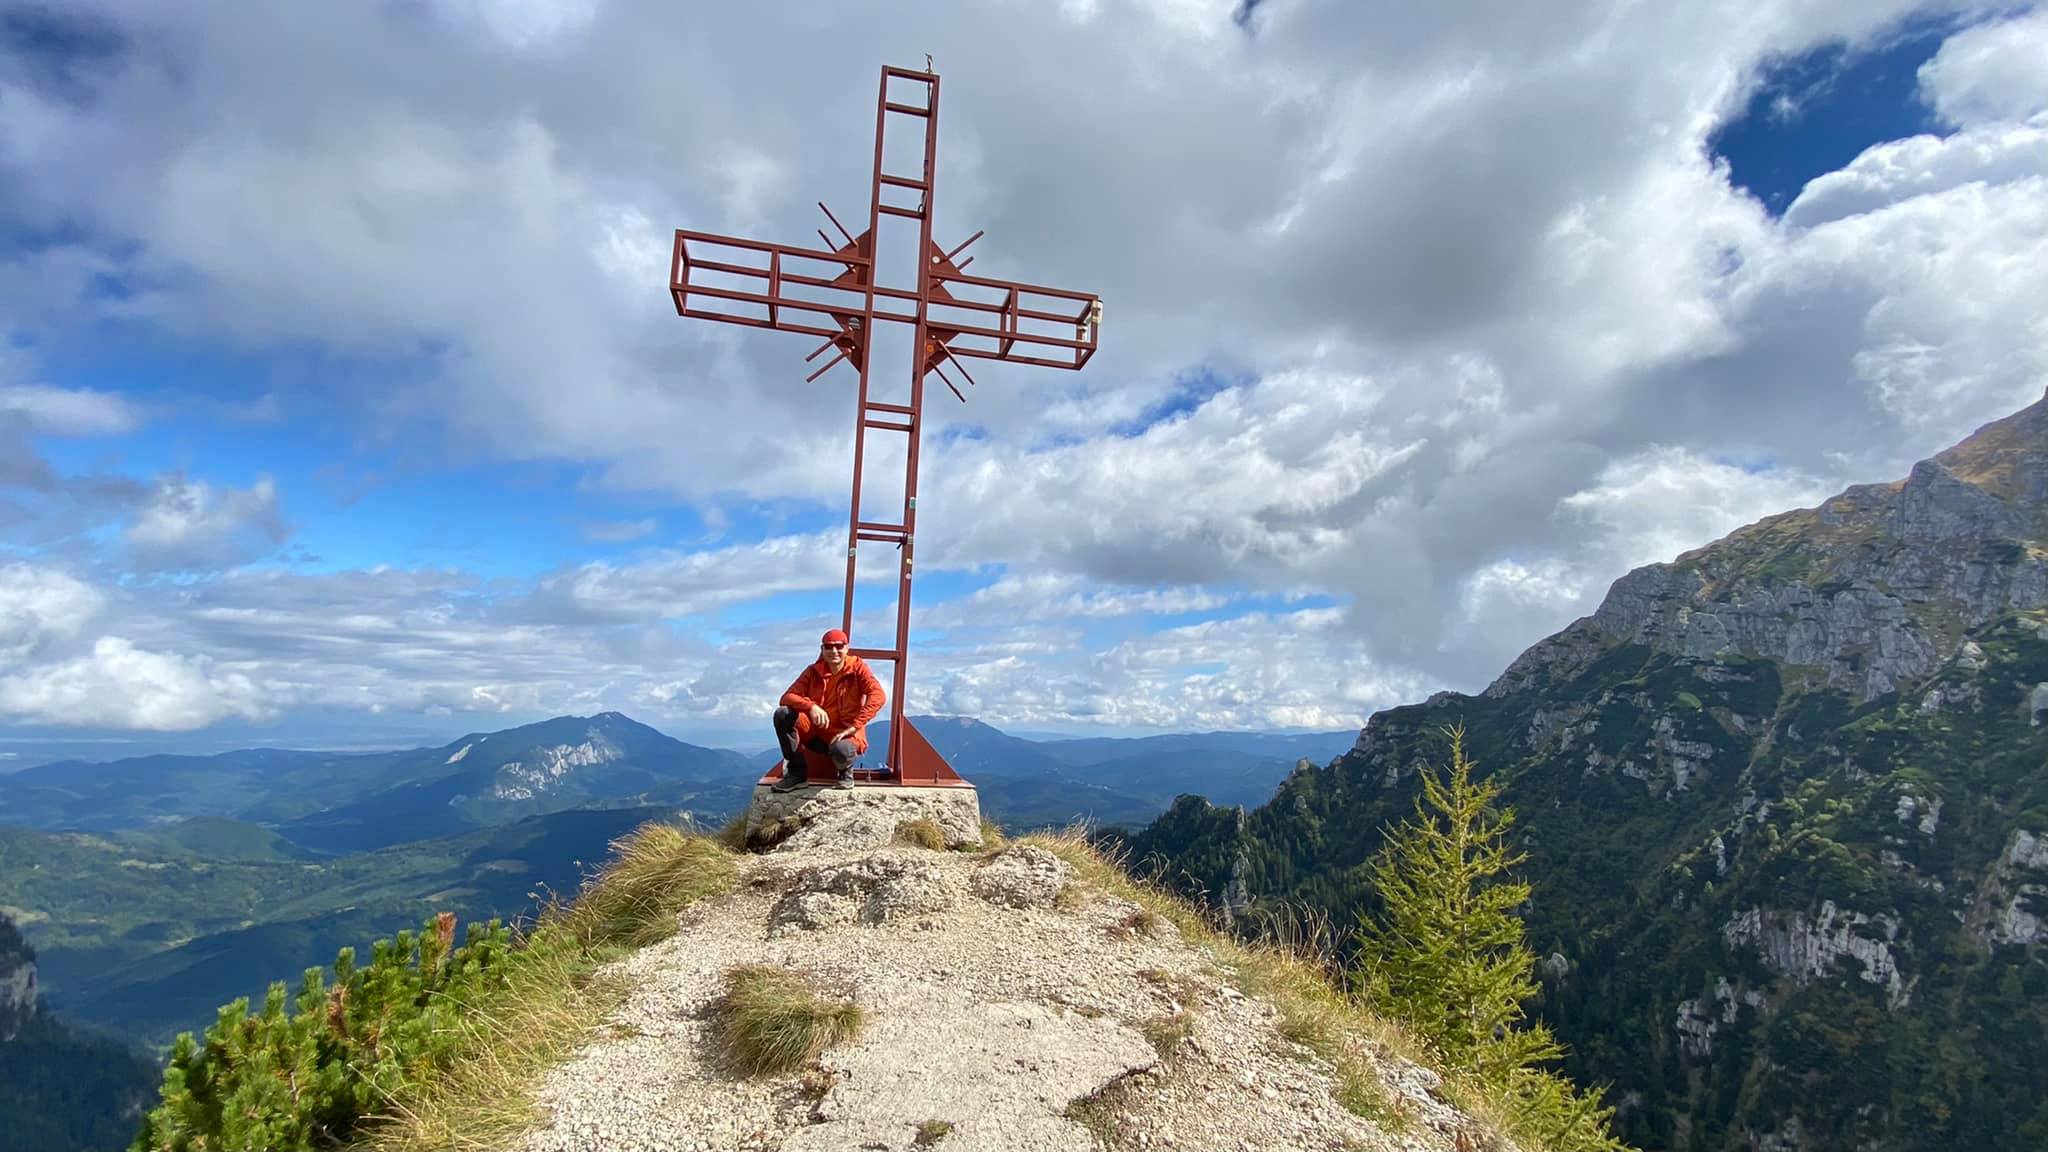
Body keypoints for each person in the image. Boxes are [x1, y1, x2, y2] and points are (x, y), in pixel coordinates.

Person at [771, 628, 886, 792]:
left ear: (847, 648)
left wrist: (855, 726)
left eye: (839, 646)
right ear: (822, 649)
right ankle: (796, 773)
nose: (834, 651)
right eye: (829, 646)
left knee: (842, 749)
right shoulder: (813, 671)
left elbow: (878, 695)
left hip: (846, 735)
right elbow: (787, 697)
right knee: (783, 714)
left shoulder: (858, 669)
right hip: (816, 734)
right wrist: (811, 706)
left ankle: (845, 774)